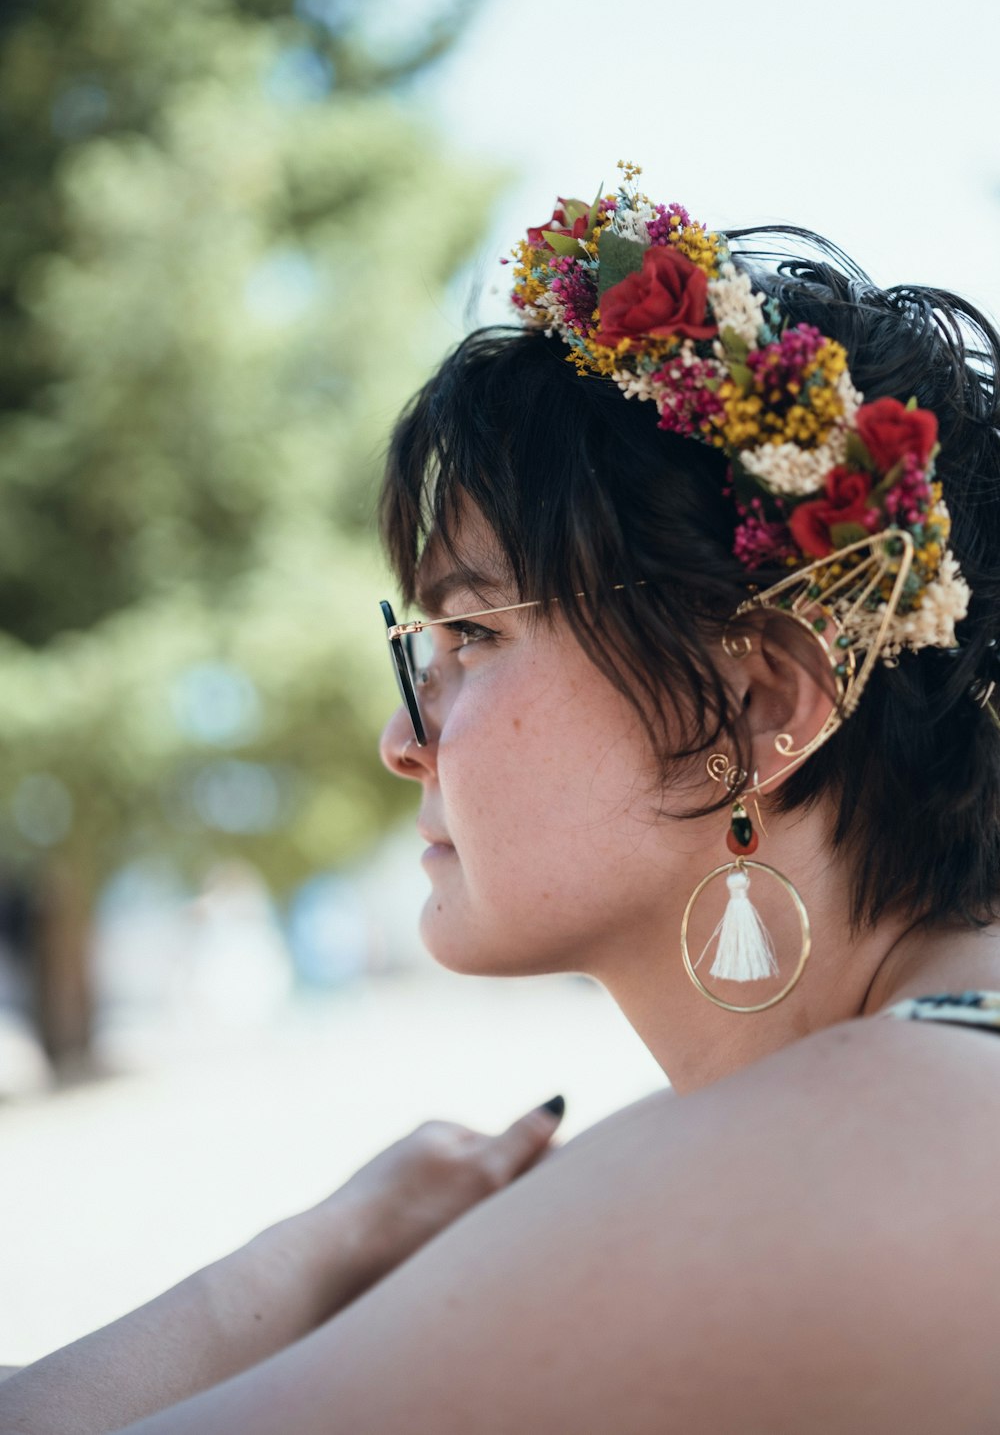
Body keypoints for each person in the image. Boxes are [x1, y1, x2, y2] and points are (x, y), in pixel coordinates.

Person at [4, 163, 1000, 1433]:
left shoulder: (807, 1159)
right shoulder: (890, 1104)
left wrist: (301, 1264)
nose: (398, 739)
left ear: (758, 707)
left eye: (469, 633)